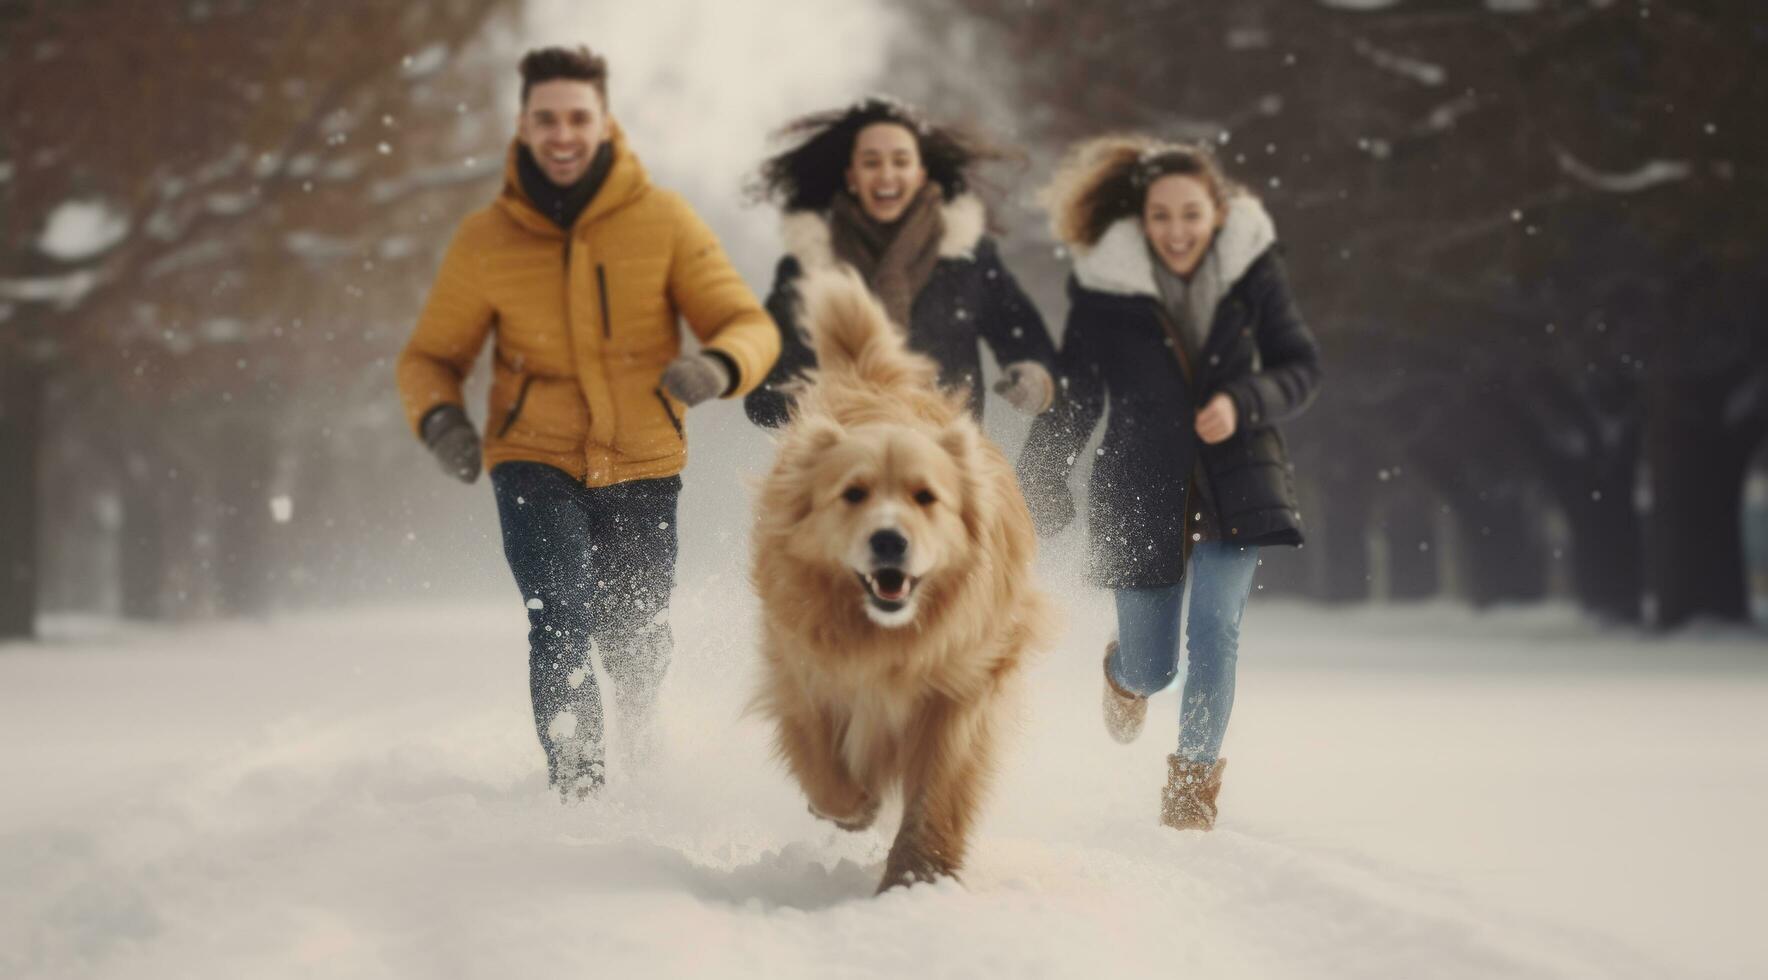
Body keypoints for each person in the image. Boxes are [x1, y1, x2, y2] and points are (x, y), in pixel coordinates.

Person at [395, 46, 779, 798]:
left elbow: (746, 323)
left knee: (633, 637)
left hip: (643, 460)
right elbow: (429, 357)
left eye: (578, 117)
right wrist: (441, 420)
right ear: (524, 125)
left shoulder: (662, 221)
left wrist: (716, 368)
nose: (562, 134)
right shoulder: (486, 240)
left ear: (604, 122)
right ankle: (579, 786)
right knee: (559, 620)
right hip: (531, 458)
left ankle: (640, 716)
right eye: (547, 119)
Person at [1019, 136, 1322, 830]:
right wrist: (1039, 479)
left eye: (1192, 214)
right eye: (1162, 216)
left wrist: (1244, 402)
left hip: (1236, 475)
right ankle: (1123, 672)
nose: (1178, 230)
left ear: (1217, 213)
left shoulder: (1254, 272)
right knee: (1154, 668)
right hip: (1137, 484)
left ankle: (1190, 792)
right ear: (1140, 220)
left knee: (1217, 629)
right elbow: (1077, 393)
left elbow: (1299, 366)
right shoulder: (1103, 290)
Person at [743, 97, 1058, 428]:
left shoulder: (968, 257)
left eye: (900, 160)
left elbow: (1022, 335)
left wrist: (1033, 379)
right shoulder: (807, 268)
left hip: (948, 464)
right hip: (841, 465)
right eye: (871, 162)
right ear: (852, 177)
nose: (886, 174)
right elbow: (763, 396)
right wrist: (808, 397)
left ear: (920, 174)